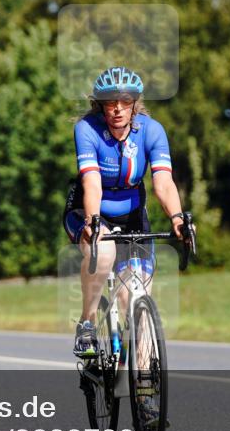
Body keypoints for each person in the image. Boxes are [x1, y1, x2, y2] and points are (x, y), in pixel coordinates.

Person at [63, 66, 190, 359]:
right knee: (103, 253)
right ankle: (88, 323)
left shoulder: (152, 130)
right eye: (110, 102)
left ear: (135, 103)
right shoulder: (87, 129)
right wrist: (93, 223)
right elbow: (92, 182)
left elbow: (163, 183)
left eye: (125, 101)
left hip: (132, 215)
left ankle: (141, 384)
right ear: (100, 104)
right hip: (89, 209)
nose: (118, 109)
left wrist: (177, 218)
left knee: (136, 297)